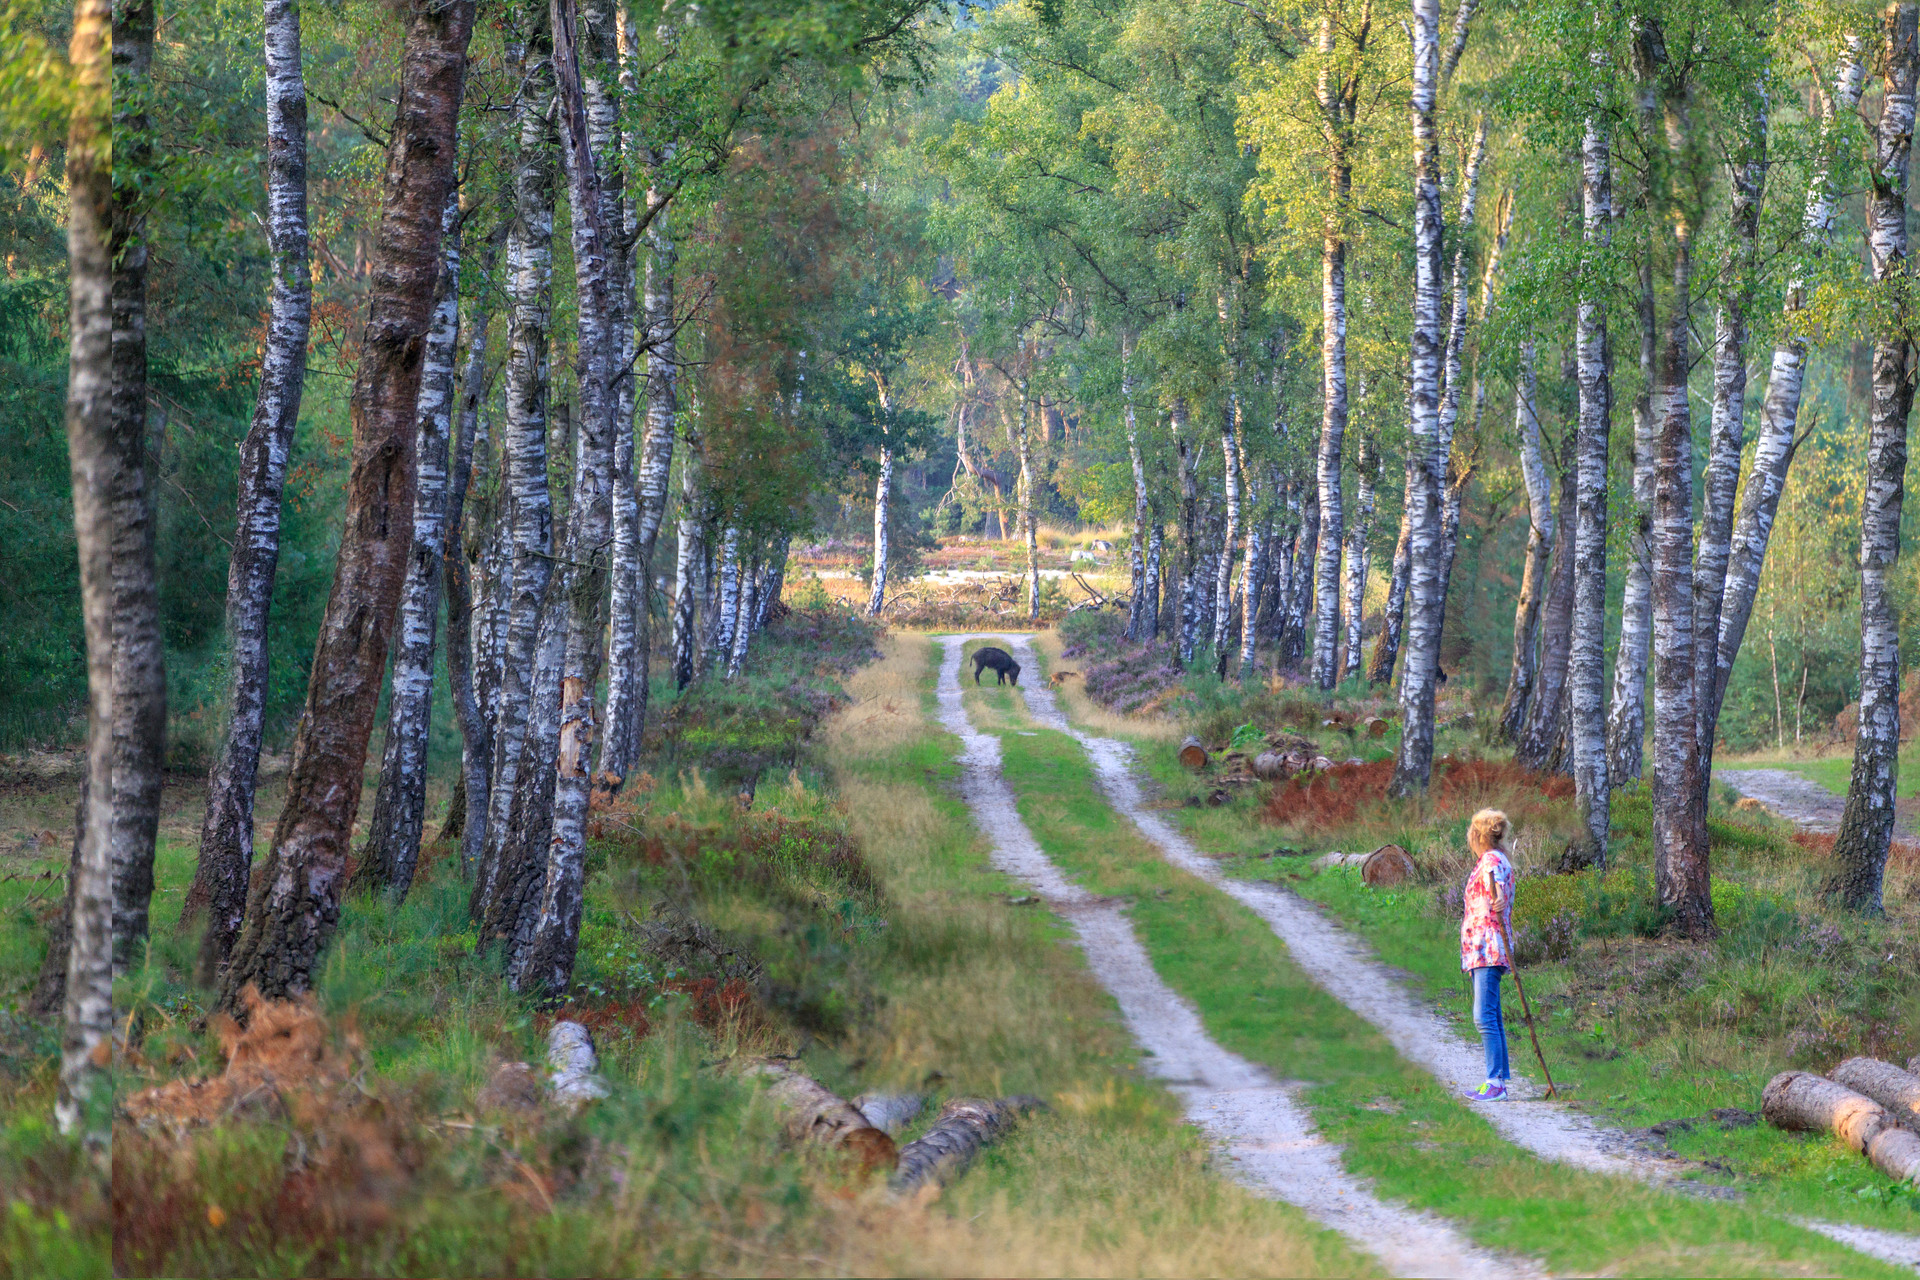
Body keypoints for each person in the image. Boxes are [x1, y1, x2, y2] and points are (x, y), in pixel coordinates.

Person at [1458, 808, 1514, 1102]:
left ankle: (1495, 1082)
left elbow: (1498, 890)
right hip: (1484, 947)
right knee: (1492, 1015)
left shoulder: (1490, 860)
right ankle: (1498, 1080)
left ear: (1477, 835)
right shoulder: (1494, 859)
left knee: (1483, 1017)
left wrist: (1500, 897)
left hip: (1487, 948)